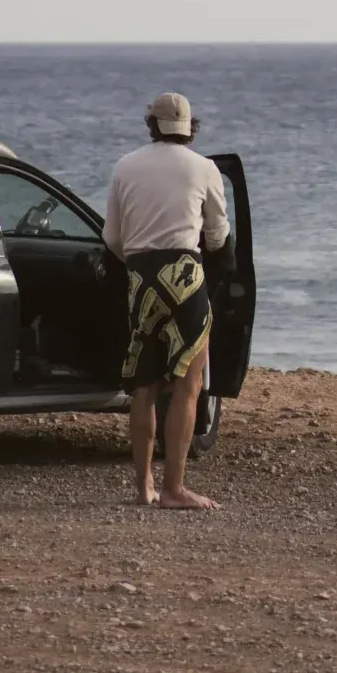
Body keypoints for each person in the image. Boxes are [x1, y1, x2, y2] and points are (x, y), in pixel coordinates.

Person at [102, 91, 232, 511]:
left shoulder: (126, 166)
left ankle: (143, 489)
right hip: (186, 278)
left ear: (151, 125)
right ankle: (175, 489)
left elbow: (114, 240)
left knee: (144, 386)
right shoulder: (205, 168)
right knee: (187, 387)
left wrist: (142, 264)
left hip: (142, 281)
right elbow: (217, 238)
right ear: (189, 128)